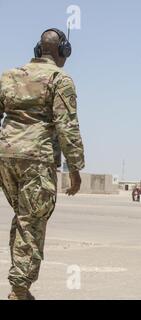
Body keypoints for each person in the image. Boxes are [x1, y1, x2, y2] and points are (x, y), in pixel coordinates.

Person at [0, 28, 85, 299]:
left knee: (23, 217)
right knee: (31, 221)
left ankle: (19, 282)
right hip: (37, 158)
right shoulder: (60, 79)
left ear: (39, 49)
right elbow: (67, 125)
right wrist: (75, 168)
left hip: (6, 156)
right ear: (63, 51)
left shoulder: (9, 76)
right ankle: (20, 290)